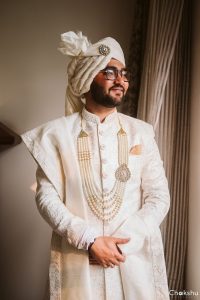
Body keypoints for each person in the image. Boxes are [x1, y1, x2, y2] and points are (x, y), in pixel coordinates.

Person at [21, 31, 170, 300]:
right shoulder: (56, 135)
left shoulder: (141, 133)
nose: (121, 81)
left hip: (132, 261)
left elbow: (159, 197)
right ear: (88, 77)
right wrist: (90, 241)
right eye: (111, 72)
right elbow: (47, 197)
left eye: (124, 74)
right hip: (80, 263)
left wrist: (120, 244)